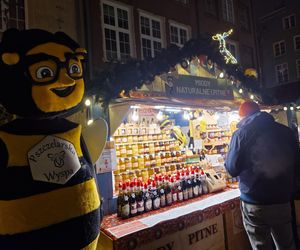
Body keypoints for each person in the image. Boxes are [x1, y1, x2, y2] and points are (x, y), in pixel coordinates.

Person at [225, 100, 300, 250]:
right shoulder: (285, 131)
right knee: (286, 246)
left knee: (260, 246)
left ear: (243, 116)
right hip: (282, 200)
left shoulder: (240, 134)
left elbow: (232, 168)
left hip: (254, 202)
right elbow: (297, 164)